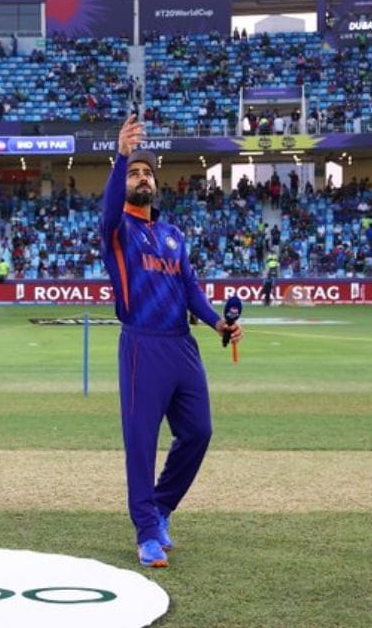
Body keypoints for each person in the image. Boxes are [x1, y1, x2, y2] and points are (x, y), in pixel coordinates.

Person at [100, 114, 243, 568]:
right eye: (135, 173)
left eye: (148, 173)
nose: (142, 178)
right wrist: (121, 157)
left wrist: (217, 323)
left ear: (157, 185)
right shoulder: (118, 231)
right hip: (142, 345)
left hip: (182, 345)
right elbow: (108, 212)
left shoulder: (172, 235)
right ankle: (146, 532)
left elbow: (190, 289)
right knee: (141, 442)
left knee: (199, 432)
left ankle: (161, 508)